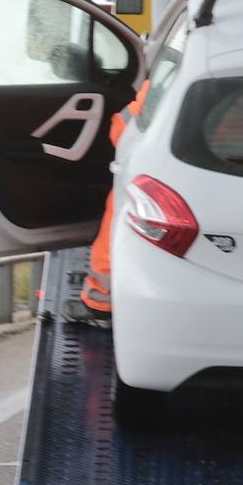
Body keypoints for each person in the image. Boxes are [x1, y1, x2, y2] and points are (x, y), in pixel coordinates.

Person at [69, 80, 150, 325]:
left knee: (118, 217)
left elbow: (126, 128)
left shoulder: (191, 58)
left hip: (164, 167)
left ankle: (102, 300)